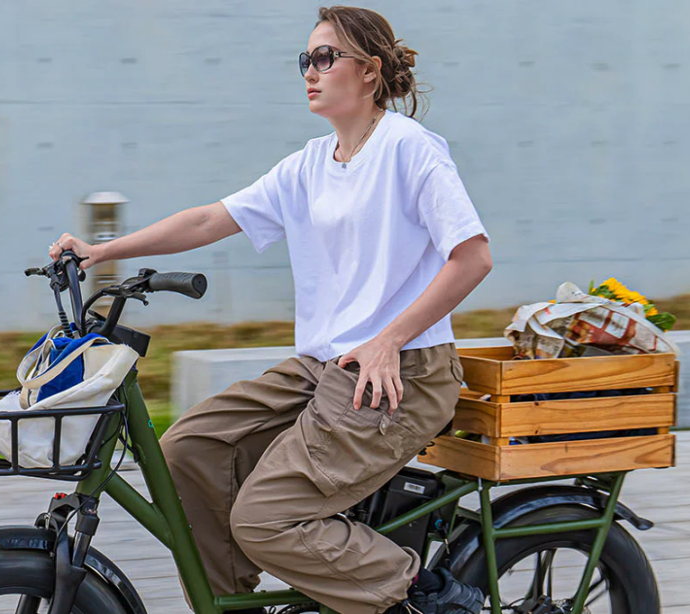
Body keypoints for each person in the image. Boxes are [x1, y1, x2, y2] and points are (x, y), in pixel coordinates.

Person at [49, 6, 491, 613]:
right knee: (188, 450)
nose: (310, 71)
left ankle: (424, 592)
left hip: (400, 374)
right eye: (305, 59)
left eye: (325, 57)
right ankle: (232, 602)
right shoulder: (310, 163)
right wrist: (103, 251)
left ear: (370, 71)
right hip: (324, 370)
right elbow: (209, 219)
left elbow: (472, 258)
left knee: (265, 519)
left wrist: (389, 338)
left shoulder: (409, 150)